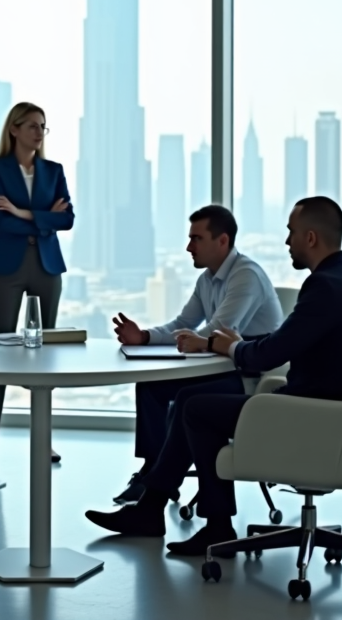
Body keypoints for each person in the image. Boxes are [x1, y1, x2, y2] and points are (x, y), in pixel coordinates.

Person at [86, 197, 342, 556]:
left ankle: (214, 527)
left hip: (315, 416)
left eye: (291, 233)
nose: (286, 241)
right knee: (188, 401)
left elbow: (272, 353)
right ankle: (153, 509)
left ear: (310, 238)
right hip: (328, 410)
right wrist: (230, 344)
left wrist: (230, 346)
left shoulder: (324, 287)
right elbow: (277, 343)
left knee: (196, 408)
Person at [110, 205, 283, 505]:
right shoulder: (207, 279)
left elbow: (219, 331)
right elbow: (183, 325)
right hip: (223, 369)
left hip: (252, 377)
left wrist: (196, 340)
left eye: (196, 239)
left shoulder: (246, 276)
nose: (188, 247)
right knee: (151, 387)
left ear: (222, 241)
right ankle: (154, 469)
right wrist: (145, 337)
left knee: (190, 397)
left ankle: (156, 485)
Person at [0, 102, 73, 466]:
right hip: (7, 265)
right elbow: (1, 223)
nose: (38, 132)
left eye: (43, 126)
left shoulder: (53, 170)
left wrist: (22, 212)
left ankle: (43, 438)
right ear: (14, 129)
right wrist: (43, 218)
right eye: (32, 125)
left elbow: (69, 220)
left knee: (43, 354)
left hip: (47, 266)